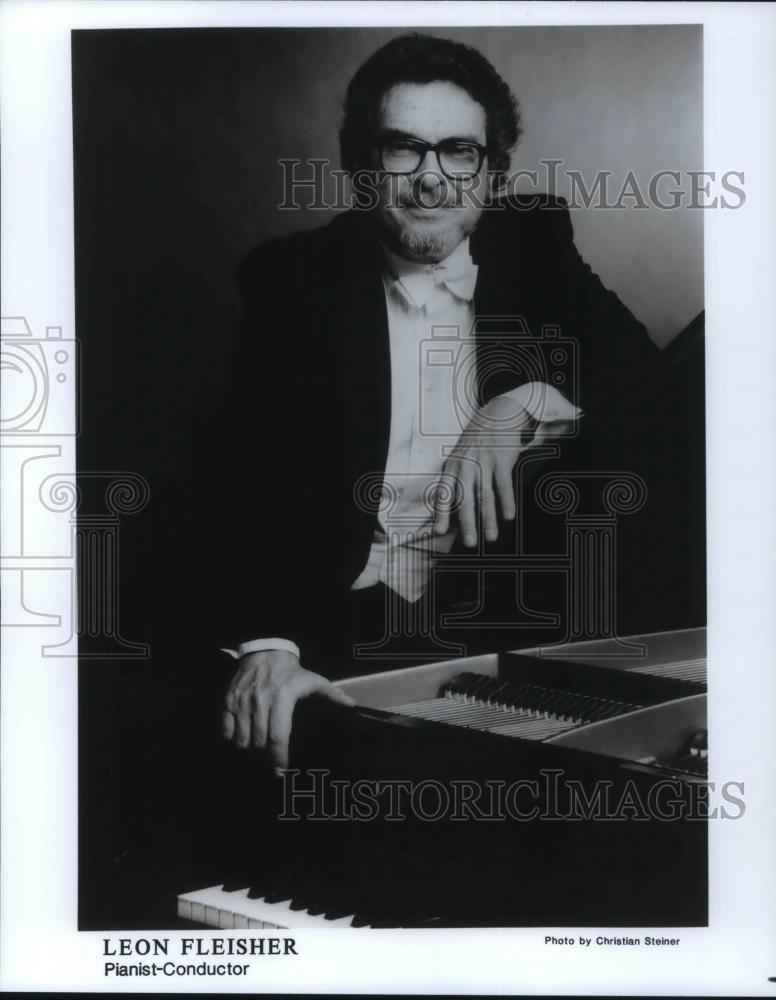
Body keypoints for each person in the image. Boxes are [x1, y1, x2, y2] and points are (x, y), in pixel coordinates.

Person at [207, 33, 663, 770]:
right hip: (333, 634)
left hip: (497, 631)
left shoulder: (536, 244)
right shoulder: (292, 279)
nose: (432, 179)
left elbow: (655, 395)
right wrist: (269, 647)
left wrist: (520, 402)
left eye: (459, 152)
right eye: (402, 150)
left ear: (490, 171)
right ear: (363, 167)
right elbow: (238, 485)